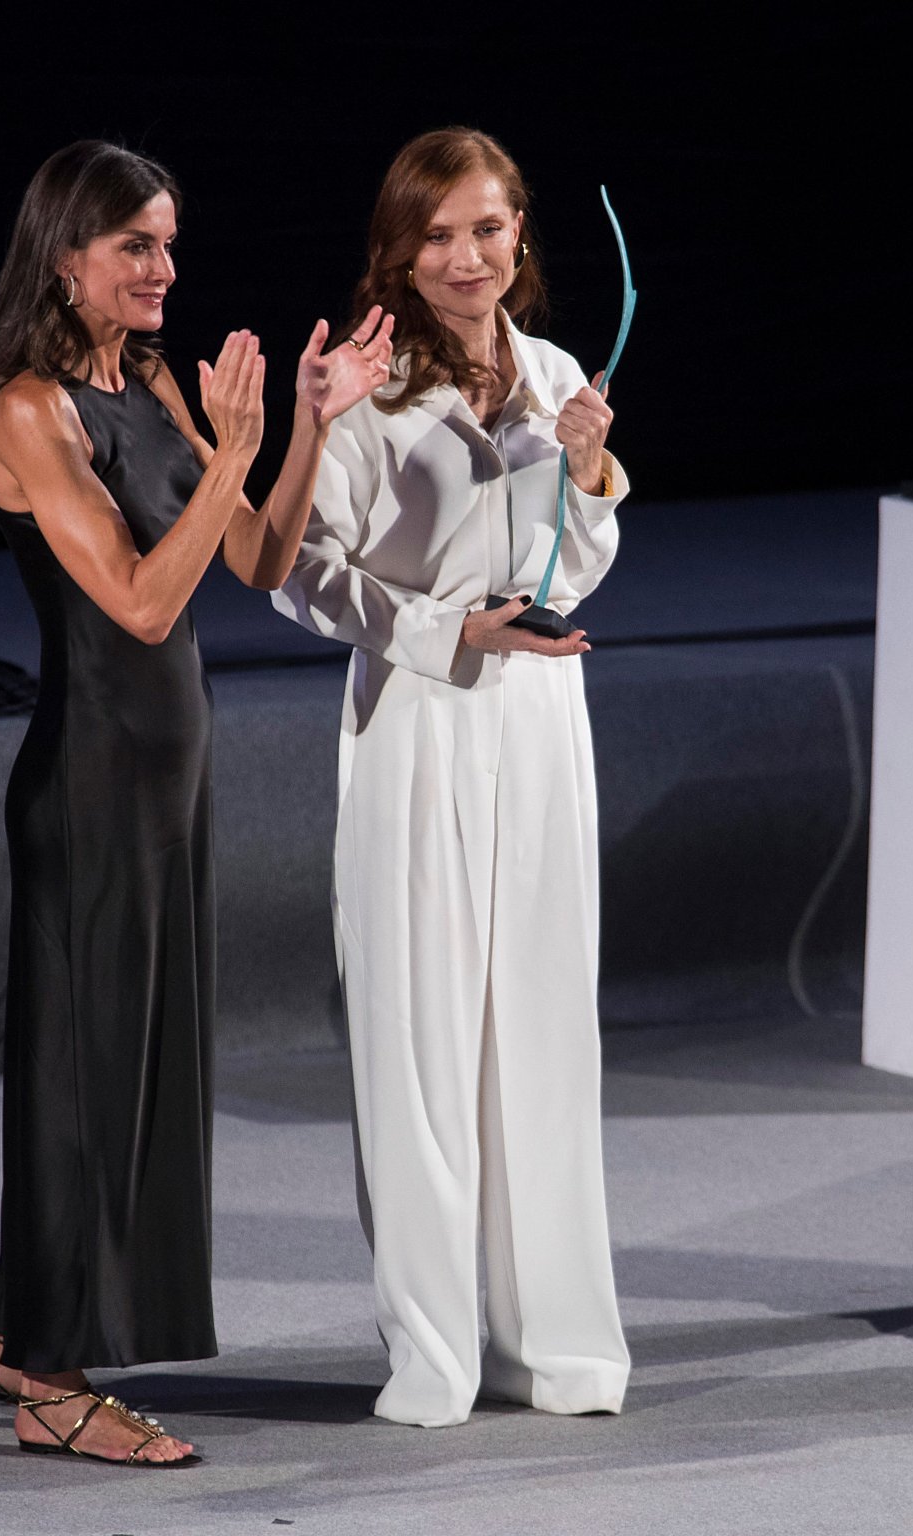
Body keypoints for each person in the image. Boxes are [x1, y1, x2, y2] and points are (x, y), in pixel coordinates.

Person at [0, 139, 392, 1465]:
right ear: (65, 256)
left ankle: (1, 1330)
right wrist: (227, 457)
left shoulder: (141, 380)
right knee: (82, 1077)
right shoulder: (30, 415)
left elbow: (255, 554)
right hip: (86, 783)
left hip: (167, 781)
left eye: (169, 243)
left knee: (128, 1070)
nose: (164, 268)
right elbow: (142, 600)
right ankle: (52, 1385)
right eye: (136, 245)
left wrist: (302, 430)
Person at [272, 127, 631, 1429]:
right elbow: (303, 573)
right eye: (438, 235)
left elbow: (575, 571)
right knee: (419, 1039)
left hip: (538, 724)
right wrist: (440, 631)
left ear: (521, 235)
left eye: (488, 228)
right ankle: (435, 1351)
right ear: (401, 250)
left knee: (537, 1026)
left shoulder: (552, 375)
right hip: (419, 720)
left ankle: (559, 1347)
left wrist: (585, 470)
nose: (466, 256)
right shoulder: (366, 390)